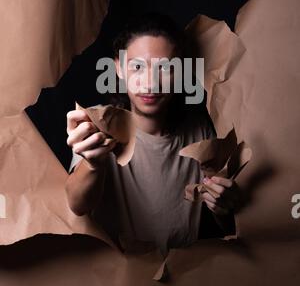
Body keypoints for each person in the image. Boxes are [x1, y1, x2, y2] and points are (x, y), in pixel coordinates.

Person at [65, 13, 239, 257]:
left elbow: (229, 226)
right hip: (116, 281)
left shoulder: (201, 132)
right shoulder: (99, 124)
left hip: (181, 278)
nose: (150, 83)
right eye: (137, 67)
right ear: (118, 68)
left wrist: (222, 207)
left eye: (165, 68)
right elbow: (77, 205)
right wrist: (92, 164)